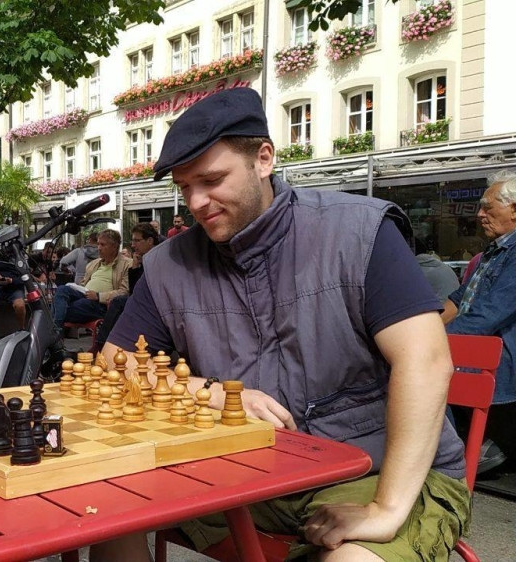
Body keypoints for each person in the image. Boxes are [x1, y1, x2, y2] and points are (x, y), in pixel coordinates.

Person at [91, 88, 467, 562]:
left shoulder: (359, 230)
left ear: (264, 159)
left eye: (211, 179)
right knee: (104, 500)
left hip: (377, 472)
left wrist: (386, 507)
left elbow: (427, 361)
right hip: (247, 473)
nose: (197, 202)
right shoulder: (171, 265)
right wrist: (212, 393)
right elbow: (113, 364)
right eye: (184, 188)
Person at [442, 170, 516, 475]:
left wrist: (433, 342)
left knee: (426, 376)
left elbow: (487, 315)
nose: (480, 214)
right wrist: (419, 326)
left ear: (514, 209)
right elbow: (458, 301)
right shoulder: (493, 252)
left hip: (500, 362)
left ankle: (449, 453)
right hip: (476, 353)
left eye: (488, 207)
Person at [93, 223, 157, 352]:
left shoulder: (158, 257)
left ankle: (101, 344)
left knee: (119, 301)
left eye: (137, 241)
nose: (133, 245)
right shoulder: (141, 258)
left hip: (156, 301)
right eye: (132, 241)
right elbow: (134, 290)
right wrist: (134, 266)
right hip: (143, 300)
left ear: (150, 241)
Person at [51, 229, 130, 330]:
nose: (99, 248)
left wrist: (98, 296)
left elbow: (124, 292)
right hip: (85, 295)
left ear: (114, 247)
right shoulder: (93, 264)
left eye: (103, 245)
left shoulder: (127, 264)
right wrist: (78, 287)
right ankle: (56, 328)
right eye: (98, 244)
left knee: (57, 308)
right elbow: (84, 284)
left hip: (102, 304)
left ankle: (55, 330)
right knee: (62, 289)